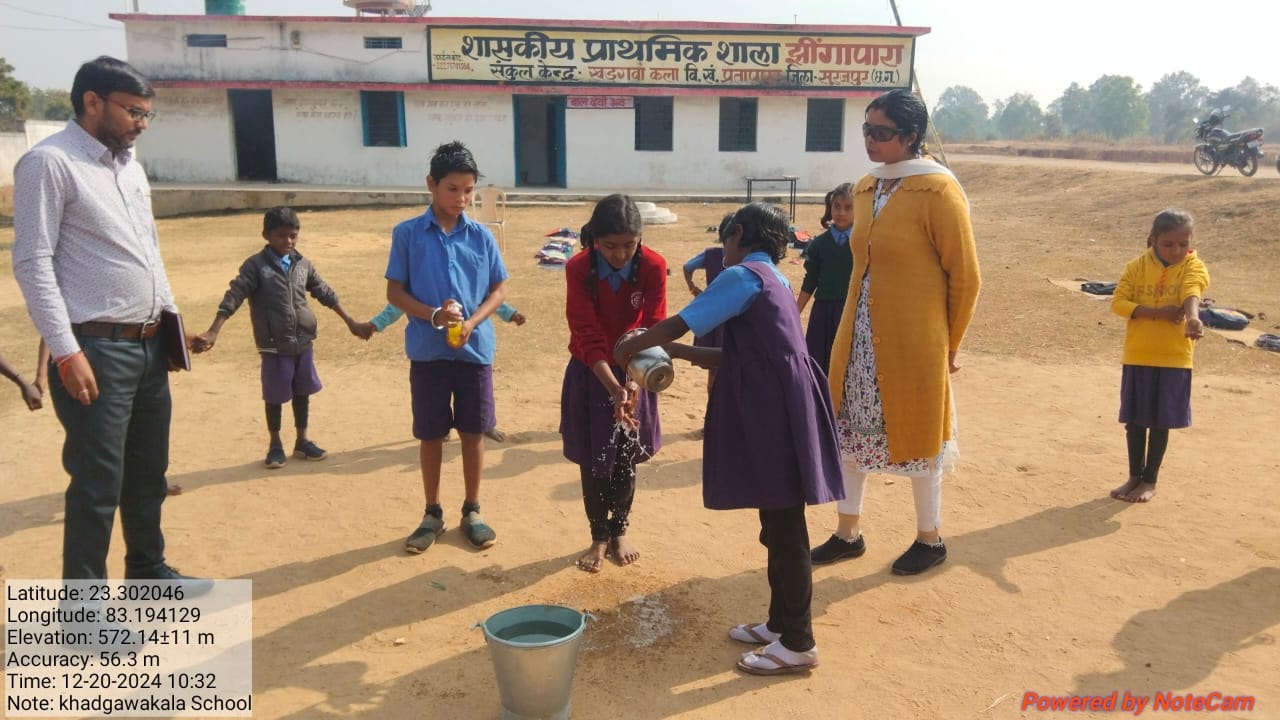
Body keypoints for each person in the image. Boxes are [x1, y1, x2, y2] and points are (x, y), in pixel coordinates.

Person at [616, 202, 842, 675]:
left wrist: (632, 345)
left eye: (725, 240)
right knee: (776, 519)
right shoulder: (774, 278)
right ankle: (781, 625)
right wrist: (677, 353)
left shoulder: (741, 277)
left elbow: (682, 320)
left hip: (771, 408)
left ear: (738, 233)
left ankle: (799, 642)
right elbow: (744, 353)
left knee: (785, 527)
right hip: (780, 401)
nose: (724, 250)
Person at [11, 56, 196, 580]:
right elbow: (31, 261)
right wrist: (65, 350)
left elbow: (148, 251)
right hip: (94, 350)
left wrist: (171, 327)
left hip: (148, 345)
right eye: (134, 112)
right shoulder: (49, 164)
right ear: (92, 102)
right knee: (97, 482)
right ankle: (84, 612)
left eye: (147, 115)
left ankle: (147, 568)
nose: (142, 124)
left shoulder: (129, 168)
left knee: (147, 470)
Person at [811, 89, 981, 576]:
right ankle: (848, 532)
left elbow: (965, 277)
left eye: (881, 133)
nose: (870, 140)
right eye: (866, 130)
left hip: (916, 340)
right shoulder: (866, 187)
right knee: (850, 435)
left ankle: (931, 540)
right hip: (859, 336)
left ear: (910, 137)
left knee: (921, 436)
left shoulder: (939, 191)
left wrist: (950, 345)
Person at [386, 141, 508, 554]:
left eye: (468, 190)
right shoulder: (407, 235)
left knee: (473, 432)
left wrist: (473, 321)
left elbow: (498, 289)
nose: (461, 198)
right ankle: (431, 513)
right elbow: (394, 292)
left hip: (474, 352)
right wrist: (433, 315)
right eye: (453, 188)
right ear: (431, 185)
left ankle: (472, 510)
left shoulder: (482, 237)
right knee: (432, 434)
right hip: (427, 351)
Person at [191, 206, 368, 468]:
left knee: (302, 391)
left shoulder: (302, 264)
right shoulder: (256, 266)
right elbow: (235, 295)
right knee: (275, 395)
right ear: (266, 235)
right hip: (274, 345)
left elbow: (324, 292)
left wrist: (351, 322)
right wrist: (214, 330)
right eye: (281, 236)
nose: (288, 242)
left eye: (293, 236)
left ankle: (302, 440)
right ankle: (275, 444)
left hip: (303, 342)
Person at [560, 194, 666, 573]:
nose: (621, 255)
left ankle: (620, 529)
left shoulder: (653, 266)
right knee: (593, 457)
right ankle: (598, 536)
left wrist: (634, 384)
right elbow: (586, 333)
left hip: (636, 367)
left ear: (640, 239)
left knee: (625, 454)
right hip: (592, 372)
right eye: (610, 246)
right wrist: (613, 387)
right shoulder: (578, 269)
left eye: (629, 245)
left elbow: (654, 326)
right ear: (594, 240)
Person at [1109, 209, 1207, 503]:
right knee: (1136, 422)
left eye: (1182, 244)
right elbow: (1118, 302)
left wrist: (1192, 318)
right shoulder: (1136, 267)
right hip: (1138, 355)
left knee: (1160, 422)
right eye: (1168, 244)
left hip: (1173, 358)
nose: (1176, 250)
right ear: (1152, 240)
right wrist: (1156, 314)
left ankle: (1150, 480)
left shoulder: (1194, 266)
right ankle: (1134, 477)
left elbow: (1192, 291)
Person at [355, 301, 525, 442]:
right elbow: (398, 304)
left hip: (472, 351)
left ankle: (485, 425)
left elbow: (489, 297)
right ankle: (441, 430)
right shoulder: (423, 277)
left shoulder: (466, 269)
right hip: (432, 353)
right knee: (435, 404)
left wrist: (510, 313)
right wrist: (375, 324)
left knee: (480, 399)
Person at [796, 183, 855, 375]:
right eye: (836, 206)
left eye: (848, 207)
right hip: (823, 312)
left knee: (849, 363)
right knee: (818, 362)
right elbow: (810, 280)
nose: (841, 212)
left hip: (852, 311)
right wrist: (795, 313)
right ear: (829, 208)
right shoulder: (819, 244)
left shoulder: (863, 243)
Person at [681, 213, 733, 423]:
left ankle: (712, 419)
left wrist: (694, 288)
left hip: (714, 319)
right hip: (730, 320)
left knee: (714, 374)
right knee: (725, 372)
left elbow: (687, 267)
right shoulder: (745, 257)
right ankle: (718, 419)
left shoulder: (712, 255)